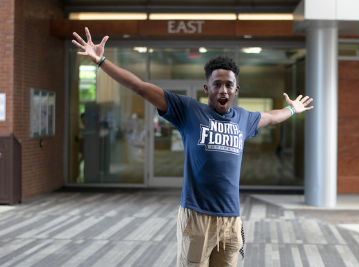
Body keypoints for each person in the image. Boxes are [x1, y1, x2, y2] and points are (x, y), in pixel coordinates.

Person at [72, 27, 314, 267]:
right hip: (197, 218)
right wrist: (101, 61)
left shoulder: (243, 118)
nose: (223, 90)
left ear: (236, 90)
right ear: (207, 88)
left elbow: (271, 116)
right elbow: (140, 87)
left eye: (229, 85)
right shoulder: (188, 110)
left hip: (231, 221)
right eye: (217, 84)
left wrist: (292, 109)